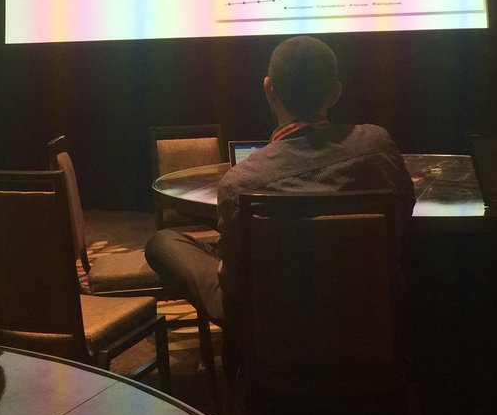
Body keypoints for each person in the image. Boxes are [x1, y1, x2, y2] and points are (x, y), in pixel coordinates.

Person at [144, 35, 415, 334]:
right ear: (335, 93)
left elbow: (235, 288)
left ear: (269, 89)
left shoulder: (241, 182)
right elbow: (405, 210)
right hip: (367, 310)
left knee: (163, 242)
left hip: (271, 322)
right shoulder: (378, 145)